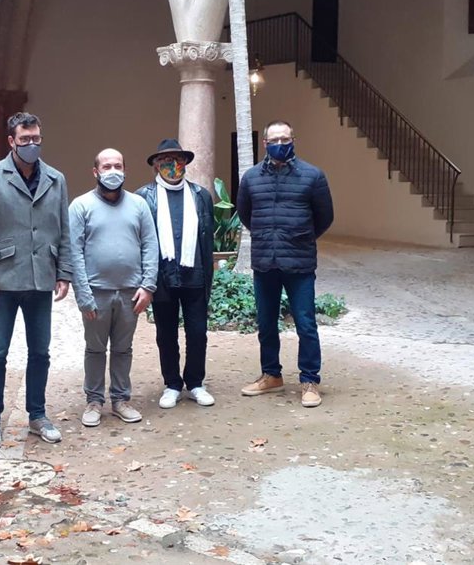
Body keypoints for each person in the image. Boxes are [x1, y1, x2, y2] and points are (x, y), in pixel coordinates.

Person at [0, 112, 72, 447]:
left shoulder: (56, 179)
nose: (31, 144)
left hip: (42, 277)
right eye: (25, 139)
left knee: (40, 351)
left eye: (36, 139)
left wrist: (64, 272)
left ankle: (37, 415)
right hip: (4, 279)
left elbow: (63, 230)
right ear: (11, 141)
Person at [236, 120, 334, 408]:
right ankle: (271, 375)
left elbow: (325, 216)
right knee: (266, 323)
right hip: (265, 261)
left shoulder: (312, 176)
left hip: (299, 263)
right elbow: (245, 214)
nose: (280, 144)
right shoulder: (251, 178)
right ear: (265, 143)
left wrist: (300, 237)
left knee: (306, 324)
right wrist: (268, 236)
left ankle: (310, 380)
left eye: (285, 139)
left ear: (293, 140)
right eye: (274, 140)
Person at [68, 149, 158, 427]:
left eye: (118, 166)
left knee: (123, 349)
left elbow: (150, 245)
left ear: (125, 170)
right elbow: (74, 252)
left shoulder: (139, 205)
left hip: (131, 293)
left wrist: (148, 286)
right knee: (95, 349)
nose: (113, 171)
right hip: (96, 292)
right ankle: (94, 401)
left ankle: (120, 400)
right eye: (106, 167)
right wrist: (83, 294)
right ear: (95, 172)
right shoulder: (80, 206)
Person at [136, 139, 215, 409]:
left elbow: (207, 239)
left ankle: (195, 383)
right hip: (163, 277)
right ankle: (171, 384)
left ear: (186, 163)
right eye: (166, 160)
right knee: (166, 335)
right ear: (156, 165)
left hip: (195, 275)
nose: (173, 165)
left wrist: (209, 276)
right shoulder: (143, 197)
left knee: (198, 333)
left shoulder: (201, 195)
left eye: (178, 159)